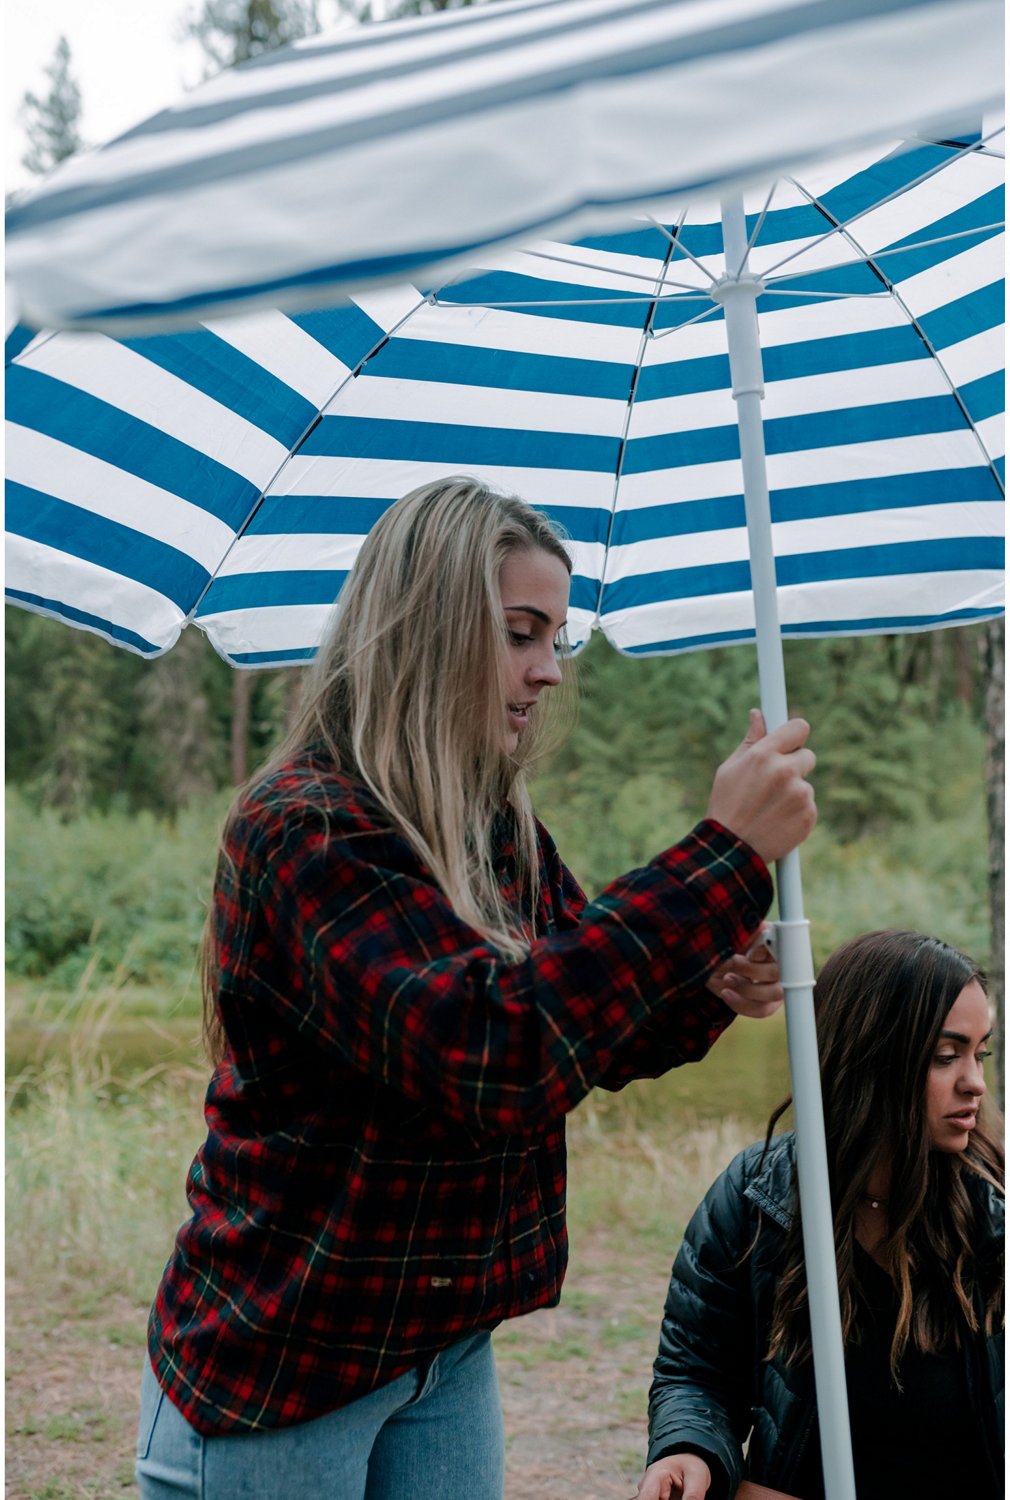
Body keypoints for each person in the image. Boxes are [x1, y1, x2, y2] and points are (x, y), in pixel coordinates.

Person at [135, 475, 817, 1500]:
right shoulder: (306, 827)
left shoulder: (491, 822)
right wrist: (719, 859)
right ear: (426, 627)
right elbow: (493, 1054)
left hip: (440, 1344)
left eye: (554, 638)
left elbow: (585, 1025)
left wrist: (703, 981)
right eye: (519, 632)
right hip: (284, 1359)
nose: (547, 671)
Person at [637, 928, 1004, 1500]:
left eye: (979, 1054)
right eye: (944, 1056)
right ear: (871, 1056)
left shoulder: (994, 1209)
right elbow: (697, 1372)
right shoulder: (760, 1196)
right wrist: (691, 1451)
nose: (975, 1083)